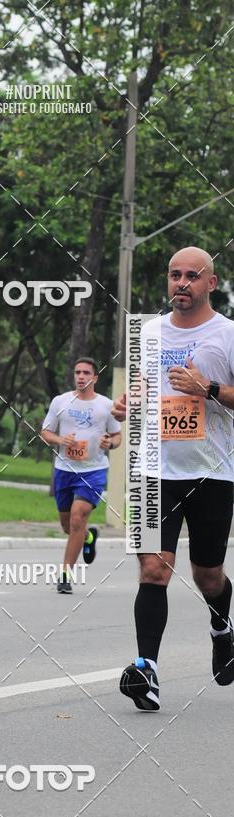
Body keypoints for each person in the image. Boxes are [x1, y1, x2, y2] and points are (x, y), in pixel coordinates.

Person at [113, 246, 234, 711]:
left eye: (192, 276)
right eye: (174, 275)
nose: (181, 283)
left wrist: (209, 389)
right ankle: (147, 669)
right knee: (153, 568)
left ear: (211, 282)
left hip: (212, 472)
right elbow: (141, 391)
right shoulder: (147, 332)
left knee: (207, 575)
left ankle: (222, 627)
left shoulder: (226, 334)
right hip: (152, 472)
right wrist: (125, 406)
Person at [41, 357, 121, 594]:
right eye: (77, 372)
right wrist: (59, 440)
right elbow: (45, 432)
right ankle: (87, 537)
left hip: (93, 471)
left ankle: (65, 574)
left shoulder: (106, 405)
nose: (81, 376)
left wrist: (110, 442)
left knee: (78, 517)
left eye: (86, 373)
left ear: (95, 378)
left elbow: (116, 437)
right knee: (68, 526)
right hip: (64, 470)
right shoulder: (61, 402)